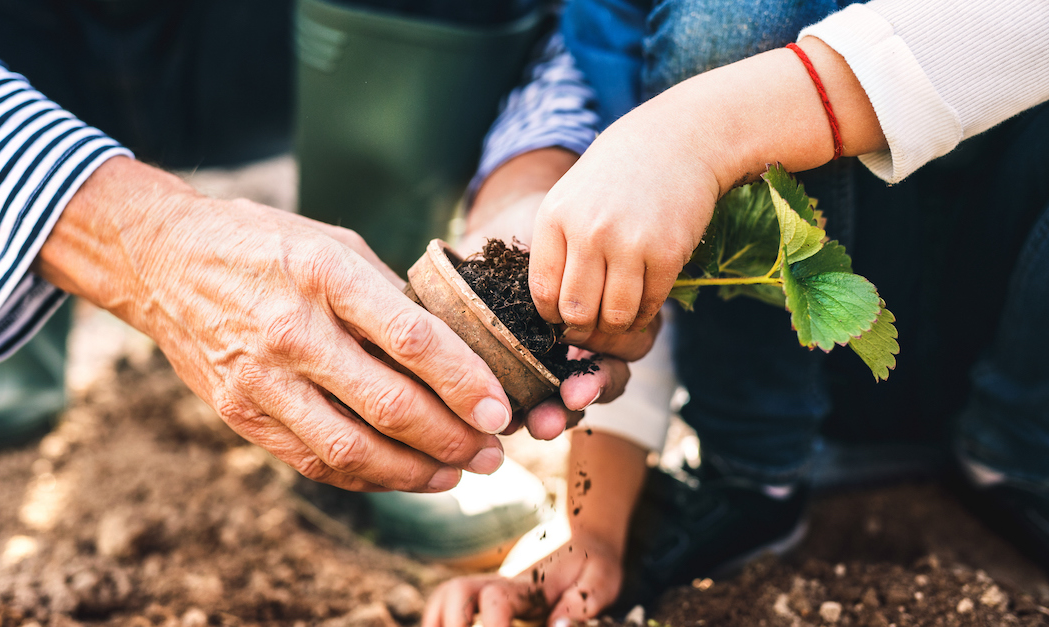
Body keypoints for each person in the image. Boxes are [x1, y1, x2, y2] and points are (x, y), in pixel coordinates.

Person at [0, 0, 645, 494]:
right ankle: (15, 276)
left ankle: (370, 360)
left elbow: (588, 20)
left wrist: (531, 169)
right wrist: (138, 239)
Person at [424, 0, 1049, 623]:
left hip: (1013, 290)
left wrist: (706, 130)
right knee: (729, 18)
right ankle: (753, 473)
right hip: (792, 378)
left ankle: (1020, 450)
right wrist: (593, 527)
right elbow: (636, 225)